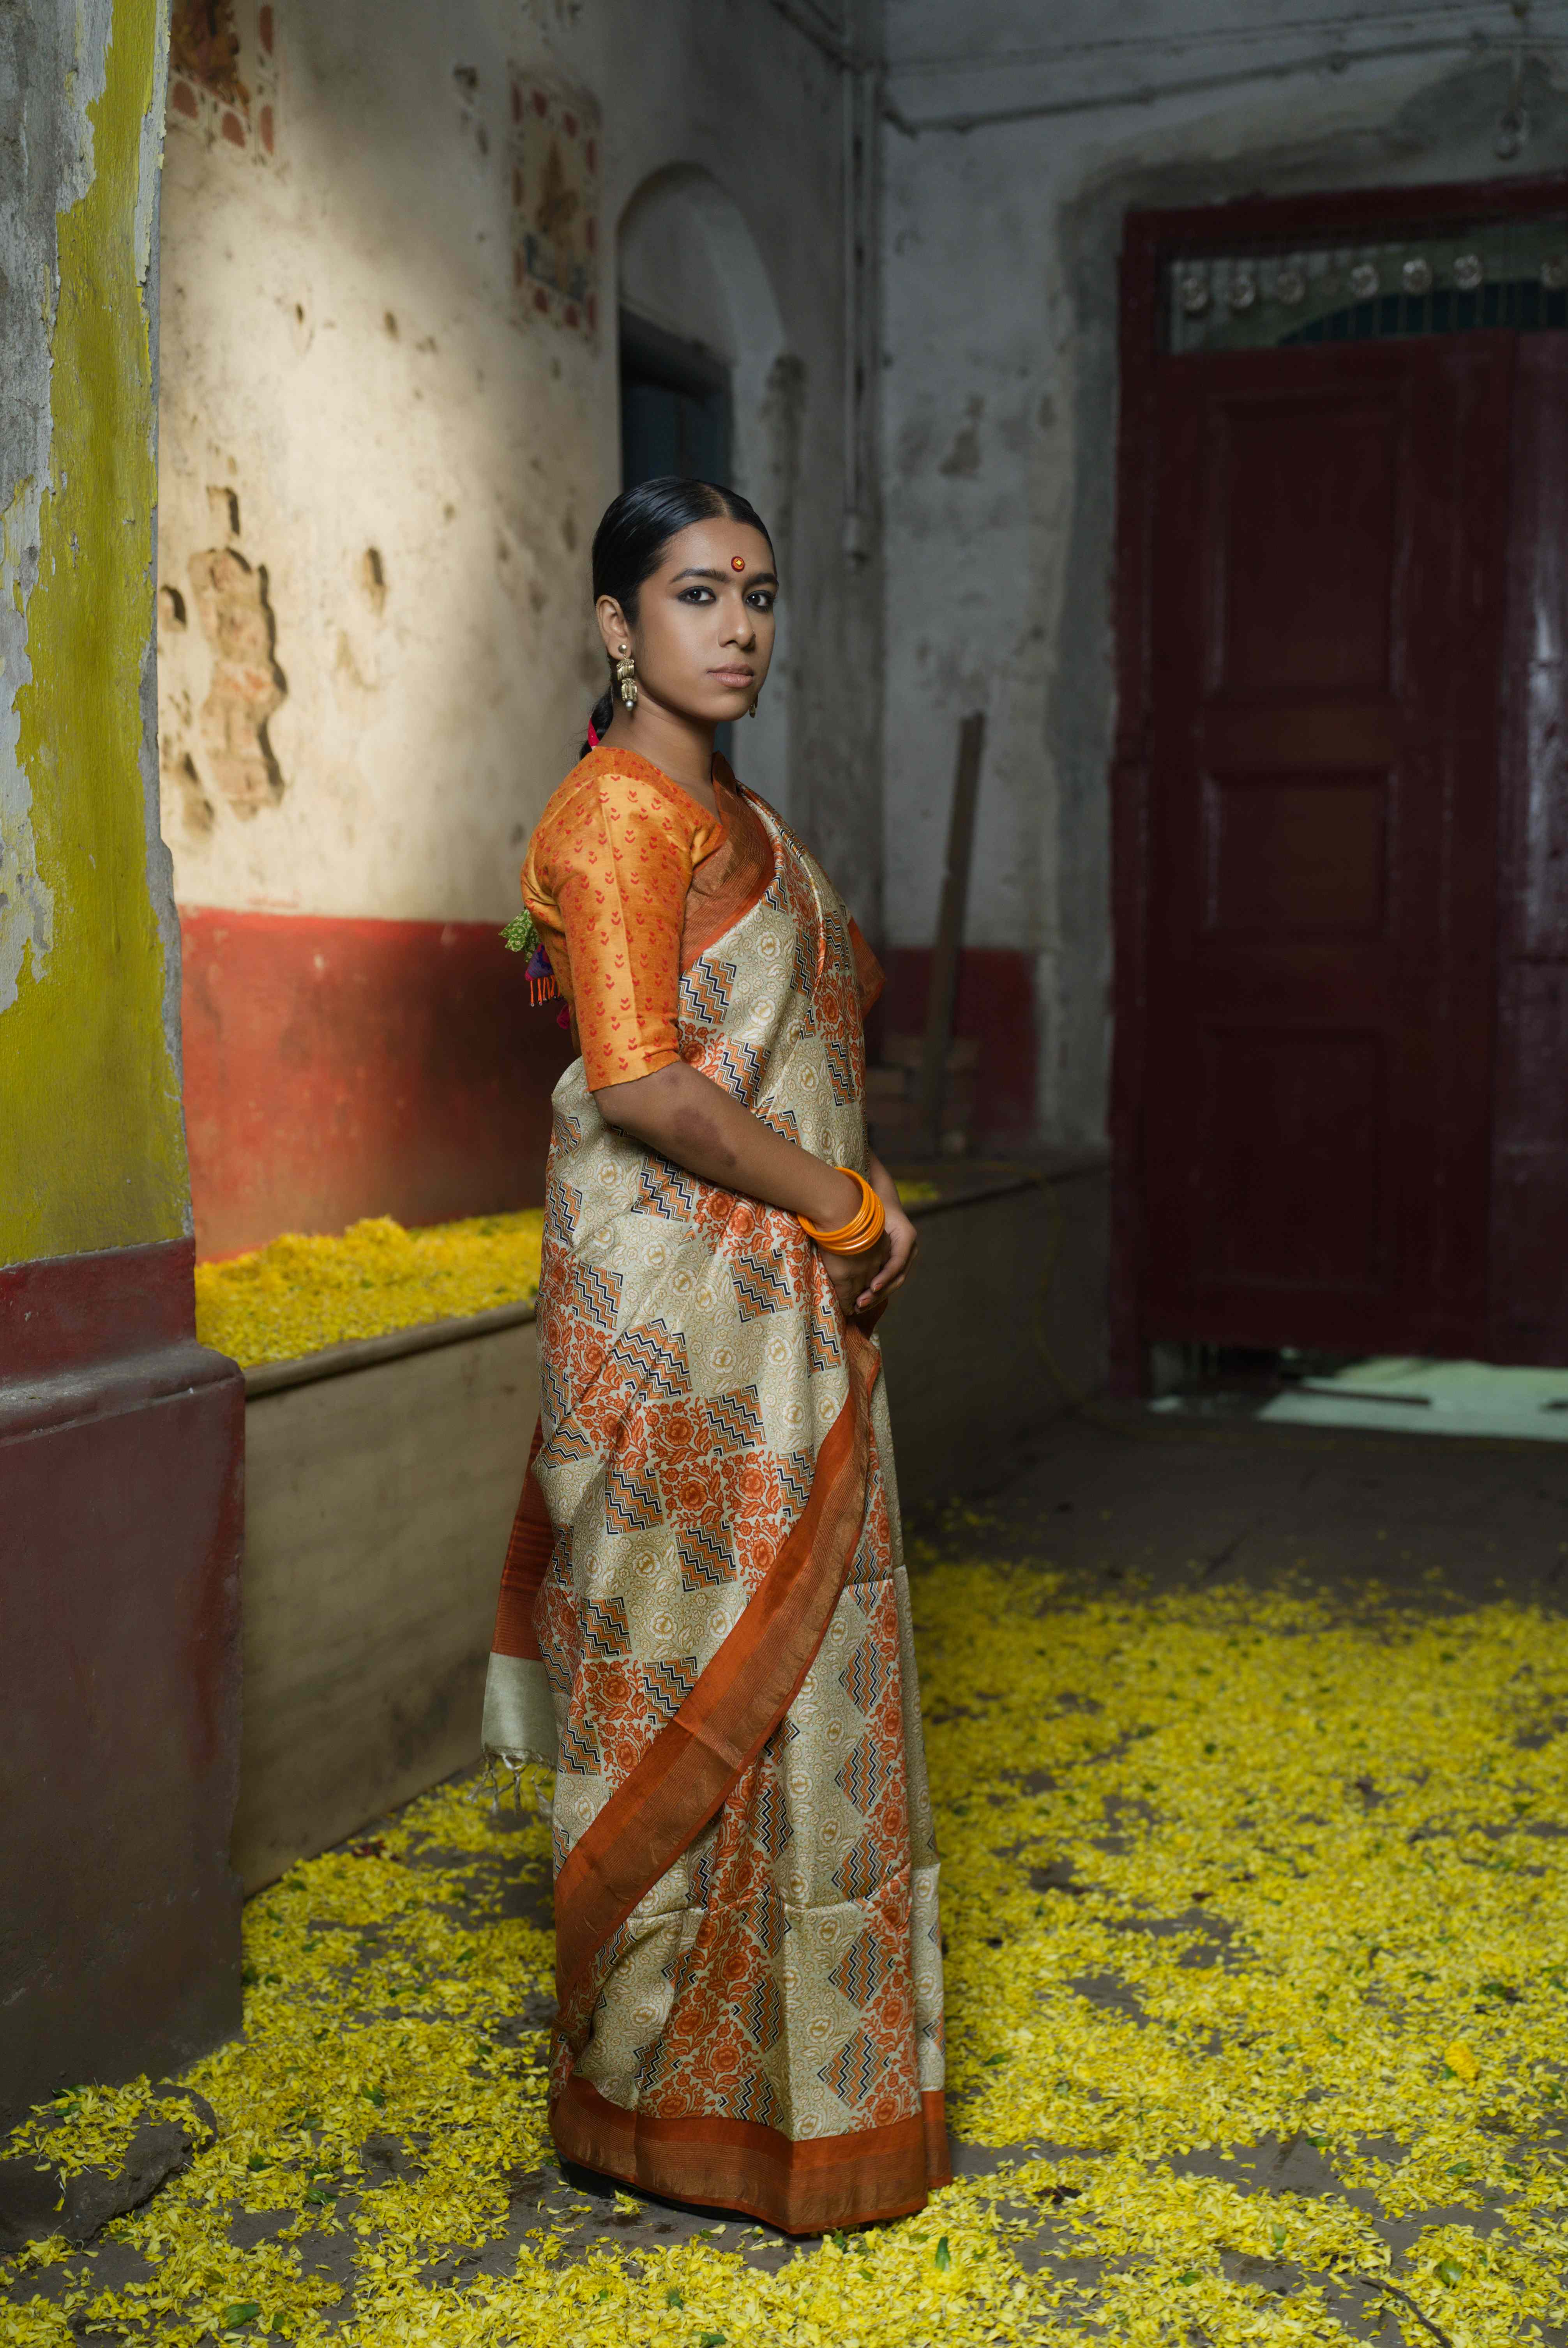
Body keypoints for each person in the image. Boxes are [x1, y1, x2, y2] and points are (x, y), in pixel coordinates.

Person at [482, 476, 946, 2235]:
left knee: (810, 1687)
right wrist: (840, 1205)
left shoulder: (735, 814)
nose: (740, 625)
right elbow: (645, 1084)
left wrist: (847, 1198)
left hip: (784, 1312)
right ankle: (655, 2095)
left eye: (758, 592)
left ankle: (795, 2096)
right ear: (618, 625)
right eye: (696, 594)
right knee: (683, 1675)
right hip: (677, 1329)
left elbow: (785, 1056)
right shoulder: (617, 819)